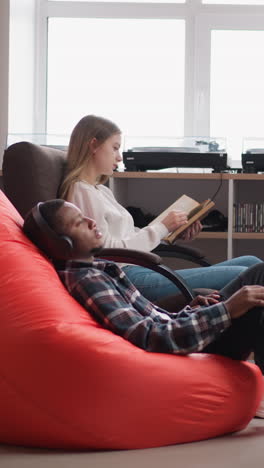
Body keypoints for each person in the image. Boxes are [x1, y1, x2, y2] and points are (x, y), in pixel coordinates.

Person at [23, 199, 264, 417]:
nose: (91, 221)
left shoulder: (99, 268)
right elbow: (150, 337)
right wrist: (227, 310)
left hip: (186, 327)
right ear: (63, 244)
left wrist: (191, 310)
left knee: (257, 272)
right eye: (79, 223)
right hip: (190, 346)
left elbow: (155, 319)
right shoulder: (87, 280)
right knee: (255, 304)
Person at [59, 114, 262, 302]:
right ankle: (219, 318)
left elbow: (128, 237)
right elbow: (105, 250)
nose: (119, 157)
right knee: (253, 272)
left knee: (253, 262)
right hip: (127, 277)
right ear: (93, 145)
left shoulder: (100, 191)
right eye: (114, 148)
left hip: (139, 267)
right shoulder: (81, 191)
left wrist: (172, 233)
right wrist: (162, 227)